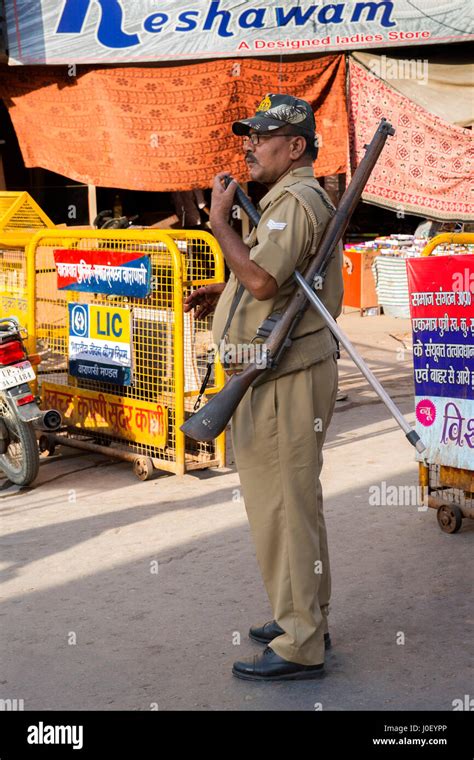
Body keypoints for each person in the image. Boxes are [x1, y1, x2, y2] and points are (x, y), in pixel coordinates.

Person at [184, 93, 344, 681]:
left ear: (295, 145)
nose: (250, 145)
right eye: (249, 135)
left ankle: (301, 641)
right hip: (280, 371)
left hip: (285, 378)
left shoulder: (294, 201)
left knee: (282, 508)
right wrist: (222, 290)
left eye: (263, 136)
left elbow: (260, 280)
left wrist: (219, 224)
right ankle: (306, 616)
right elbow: (264, 283)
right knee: (294, 504)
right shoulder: (285, 201)